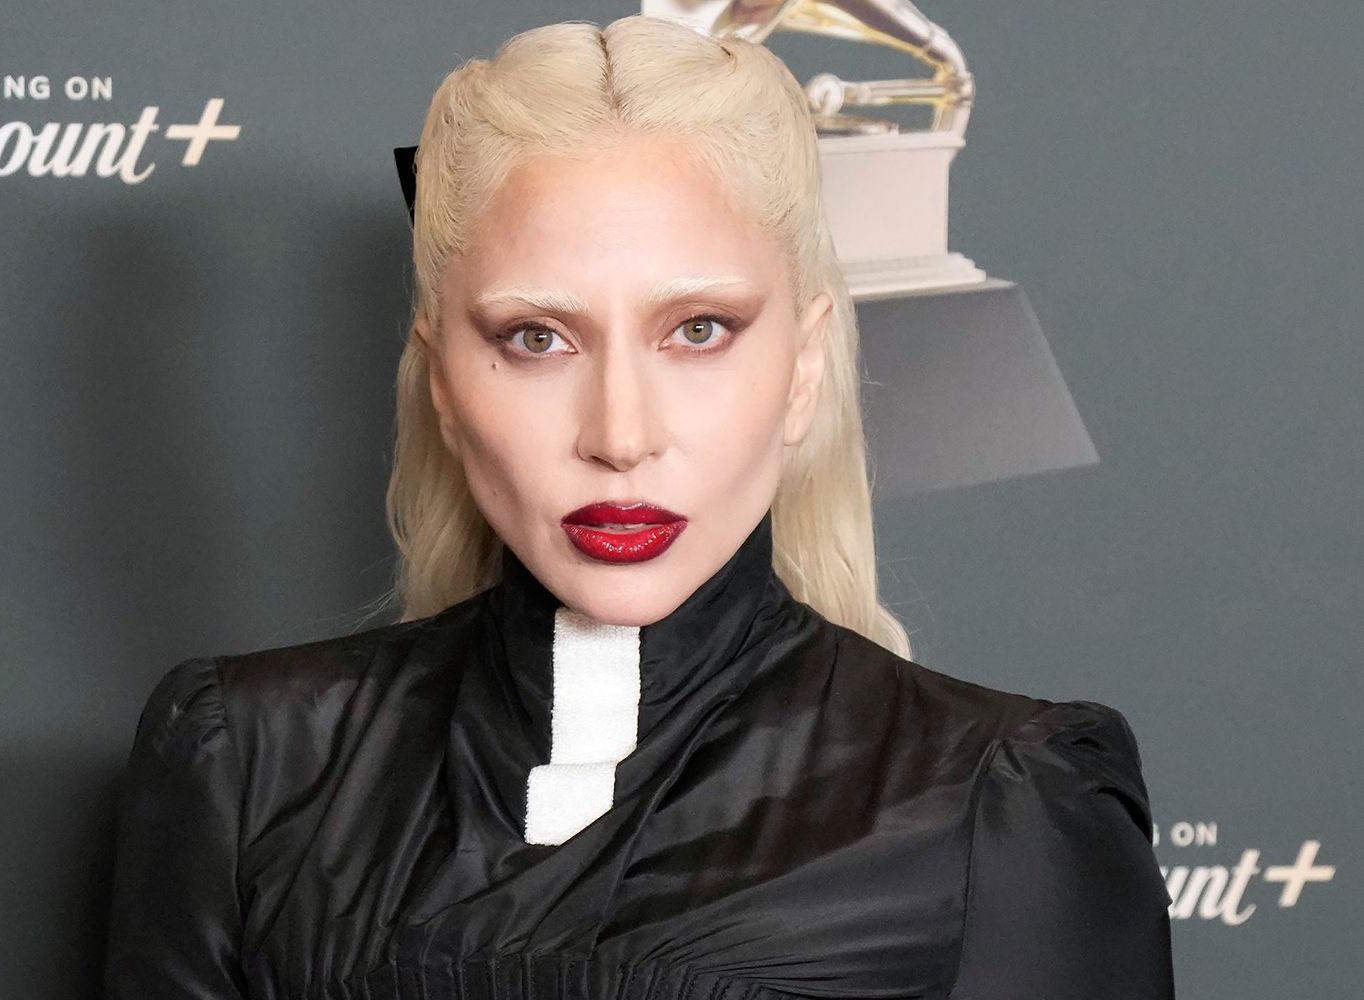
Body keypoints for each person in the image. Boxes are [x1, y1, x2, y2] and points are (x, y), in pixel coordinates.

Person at [102, 14, 1175, 1000]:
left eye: (698, 330)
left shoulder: (1000, 803)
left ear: (803, 367)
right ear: (442, 381)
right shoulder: (247, 762)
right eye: (537, 338)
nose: (620, 434)